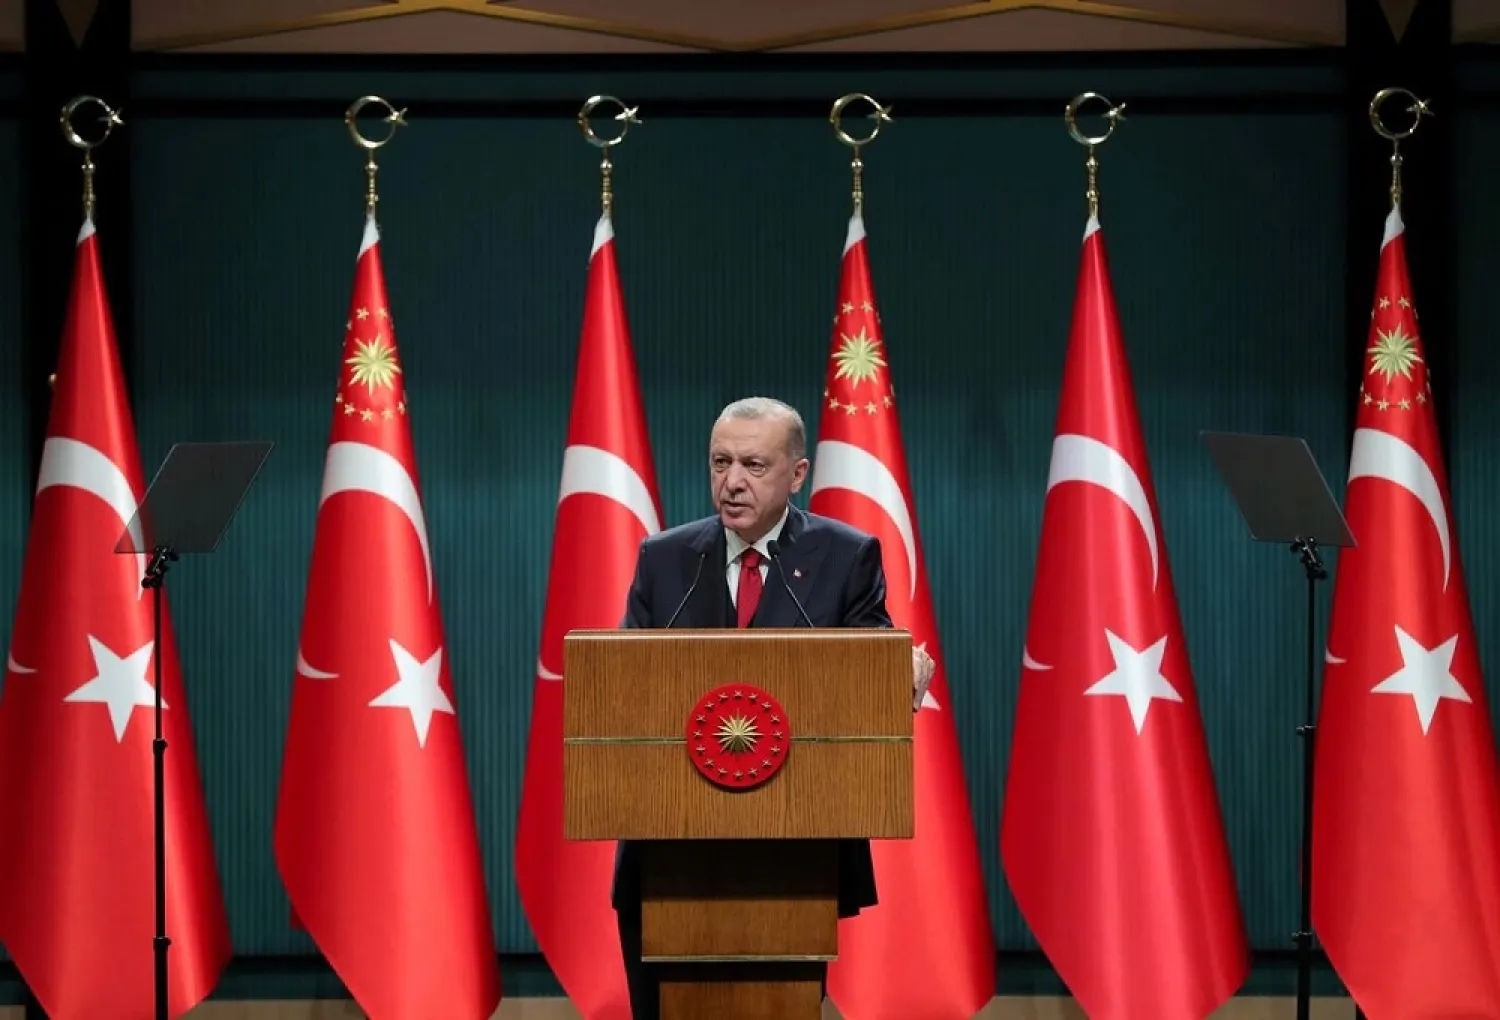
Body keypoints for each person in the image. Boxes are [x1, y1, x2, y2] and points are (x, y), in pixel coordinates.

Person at [612, 396, 935, 1018]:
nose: (731, 482)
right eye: (720, 462)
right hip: (669, 852)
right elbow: (627, 687)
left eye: (754, 465)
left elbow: (870, 667)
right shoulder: (665, 558)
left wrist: (897, 676)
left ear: (797, 474)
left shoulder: (847, 556)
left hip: (792, 855)